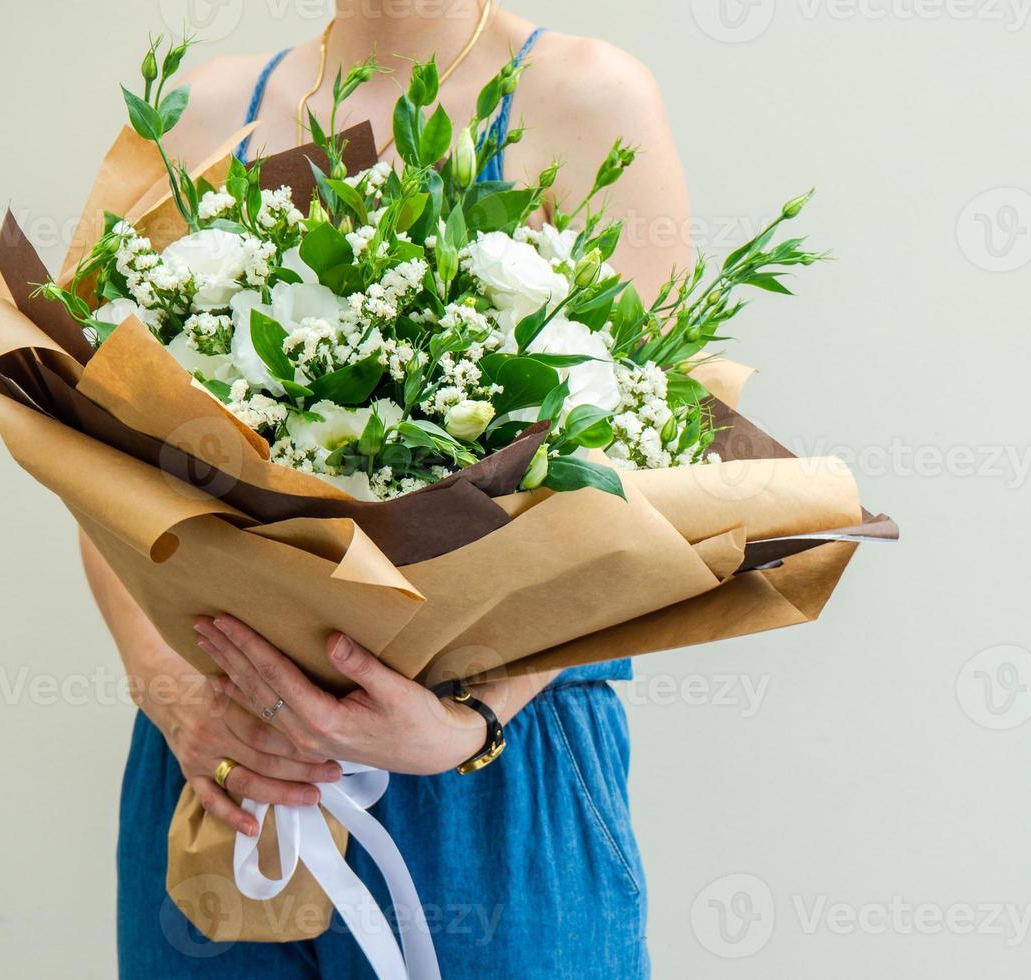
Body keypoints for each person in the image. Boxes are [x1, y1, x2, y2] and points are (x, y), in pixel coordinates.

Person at [81, 1, 692, 975]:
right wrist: (176, 695)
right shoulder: (199, 116)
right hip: (230, 757)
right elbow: (100, 460)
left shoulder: (587, 102)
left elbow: (648, 475)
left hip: (495, 770)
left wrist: (471, 720)